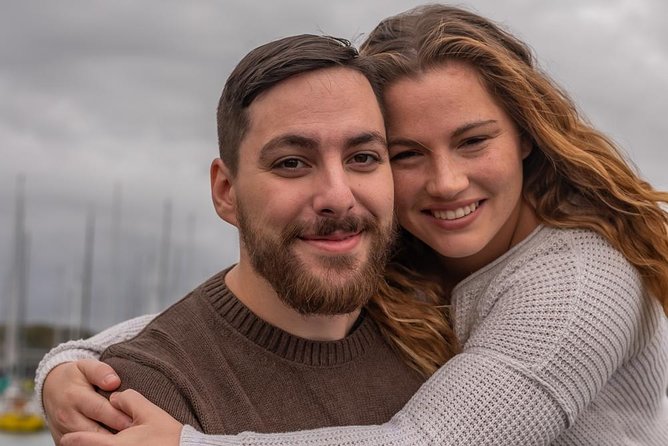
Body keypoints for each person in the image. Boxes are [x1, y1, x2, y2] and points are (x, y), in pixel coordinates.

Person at [39, 4, 668, 446]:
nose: (445, 182)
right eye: (404, 154)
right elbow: (235, 304)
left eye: (473, 141)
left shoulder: (579, 286)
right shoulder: (416, 253)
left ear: (527, 137)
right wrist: (69, 362)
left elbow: (429, 442)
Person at [37, 32, 461, 443]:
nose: (337, 196)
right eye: (292, 162)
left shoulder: (443, 331)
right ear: (226, 192)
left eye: (363, 158)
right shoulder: (144, 399)